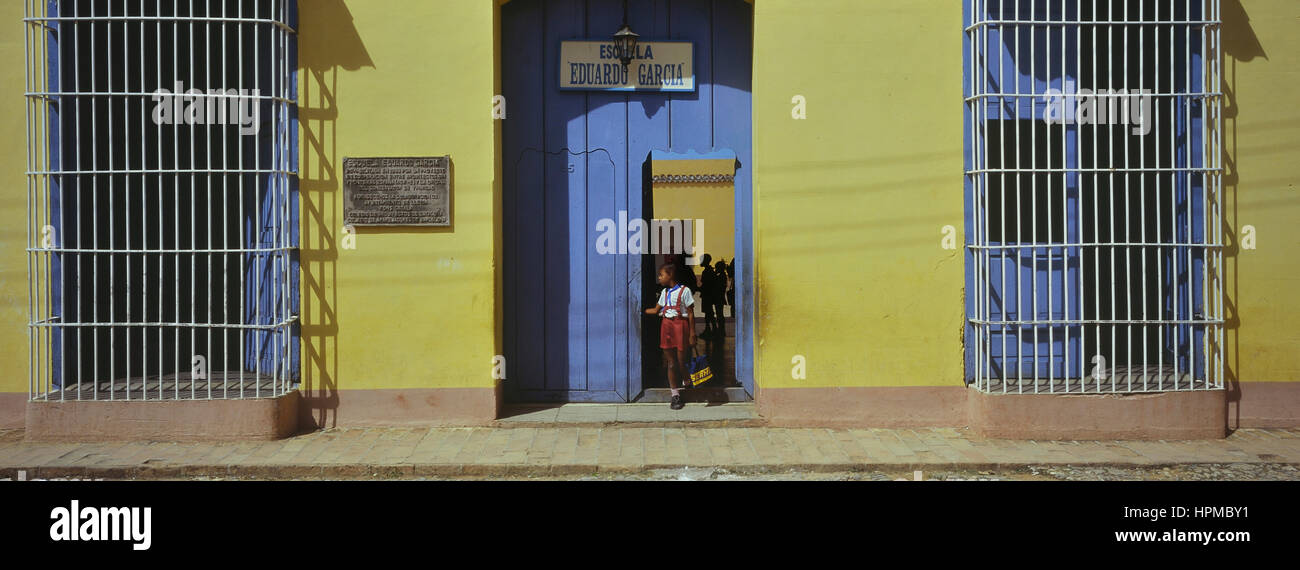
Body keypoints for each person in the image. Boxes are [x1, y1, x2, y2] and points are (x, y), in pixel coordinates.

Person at [645, 263, 696, 410]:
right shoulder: (664, 293)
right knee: (671, 363)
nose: (659, 278)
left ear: (670, 275)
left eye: (661, 275)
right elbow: (656, 310)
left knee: (681, 361)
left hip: (681, 326)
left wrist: (692, 333)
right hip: (666, 326)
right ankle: (675, 394)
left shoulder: (685, 291)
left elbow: (691, 313)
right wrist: (642, 310)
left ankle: (687, 380)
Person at [698, 254, 720, 337]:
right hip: (709, 295)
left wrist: (697, 288)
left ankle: (711, 329)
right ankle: (712, 329)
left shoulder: (707, 272)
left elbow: (706, 285)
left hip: (707, 296)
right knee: (709, 313)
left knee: (708, 313)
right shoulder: (710, 271)